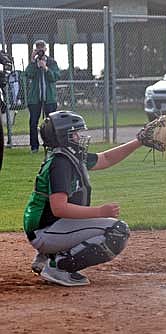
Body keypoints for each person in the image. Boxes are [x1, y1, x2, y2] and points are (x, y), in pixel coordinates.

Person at [24, 110, 144, 287]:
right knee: (117, 231)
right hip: (46, 230)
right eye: (75, 133)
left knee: (106, 224)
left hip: (50, 226)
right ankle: (58, 267)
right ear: (63, 136)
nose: (79, 137)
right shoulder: (60, 163)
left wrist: (139, 142)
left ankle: (52, 254)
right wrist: (99, 212)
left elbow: (106, 159)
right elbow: (59, 208)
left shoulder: (68, 156)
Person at [25, 40, 60, 153]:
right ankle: (34, 147)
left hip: (49, 98)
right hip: (35, 99)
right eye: (38, 48)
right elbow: (28, 74)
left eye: (42, 48)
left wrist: (46, 68)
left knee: (51, 123)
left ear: (45, 49)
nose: (40, 50)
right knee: (33, 122)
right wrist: (32, 61)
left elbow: (55, 77)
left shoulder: (52, 62)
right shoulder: (33, 63)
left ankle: (51, 146)